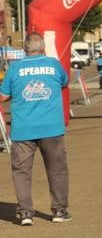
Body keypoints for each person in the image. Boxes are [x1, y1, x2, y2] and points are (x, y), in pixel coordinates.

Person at [0, 33, 71, 225]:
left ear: (25, 50)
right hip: (51, 128)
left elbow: (3, 96)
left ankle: (25, 213)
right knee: (57, 170)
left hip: (23, 129)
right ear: (43, 49)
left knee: (21, 172)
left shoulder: (15, 68)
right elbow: (64, 82)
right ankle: (59, 211)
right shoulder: (54, 65)